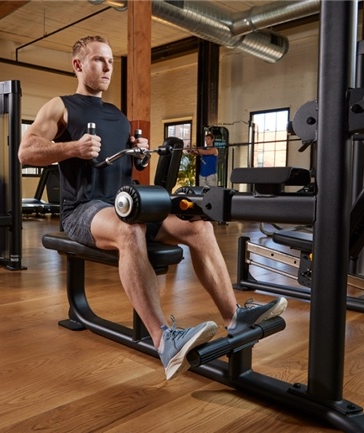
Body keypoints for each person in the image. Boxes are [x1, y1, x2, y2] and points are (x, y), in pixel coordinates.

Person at [19, 35, 287, 380]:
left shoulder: (116, 115)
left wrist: (139, 152)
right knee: (128, 230)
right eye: (98, 60)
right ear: (78, 65)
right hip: (84, 210)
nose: (107, 67)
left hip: (125, 203)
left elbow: (125, 161)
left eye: (110, 61)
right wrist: (72, 148)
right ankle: (165, 341)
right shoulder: (61, 106)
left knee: (198, 225)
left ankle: (235, 316)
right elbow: (26, 152)